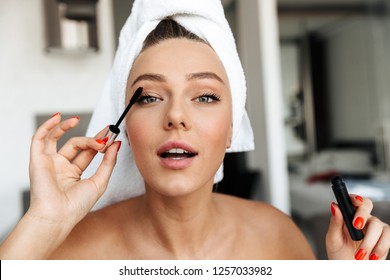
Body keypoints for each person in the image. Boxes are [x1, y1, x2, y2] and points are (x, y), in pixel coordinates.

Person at [1, 0, 389, 260]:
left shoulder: (278, 238)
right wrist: (42, 225)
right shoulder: (73, 252)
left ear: (231, 128)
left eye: (204, 97)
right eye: (149, 97)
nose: (176, 117)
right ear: (123, 127)